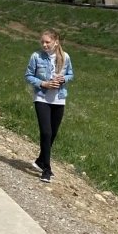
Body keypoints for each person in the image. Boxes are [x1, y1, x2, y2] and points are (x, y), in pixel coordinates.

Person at [25, 29, 74, 183]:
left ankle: (40, 160)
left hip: (59, 99)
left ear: (56, 42)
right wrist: (43, 83)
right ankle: (46, 169)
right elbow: (28, 76)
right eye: (42, 42)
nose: (44, 45)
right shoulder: (36, 57)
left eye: (47, 42)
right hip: (42, 98)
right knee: (46, 132)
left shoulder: (65, 57)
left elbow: (71, 74)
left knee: (52, 133)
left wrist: (63, 79)